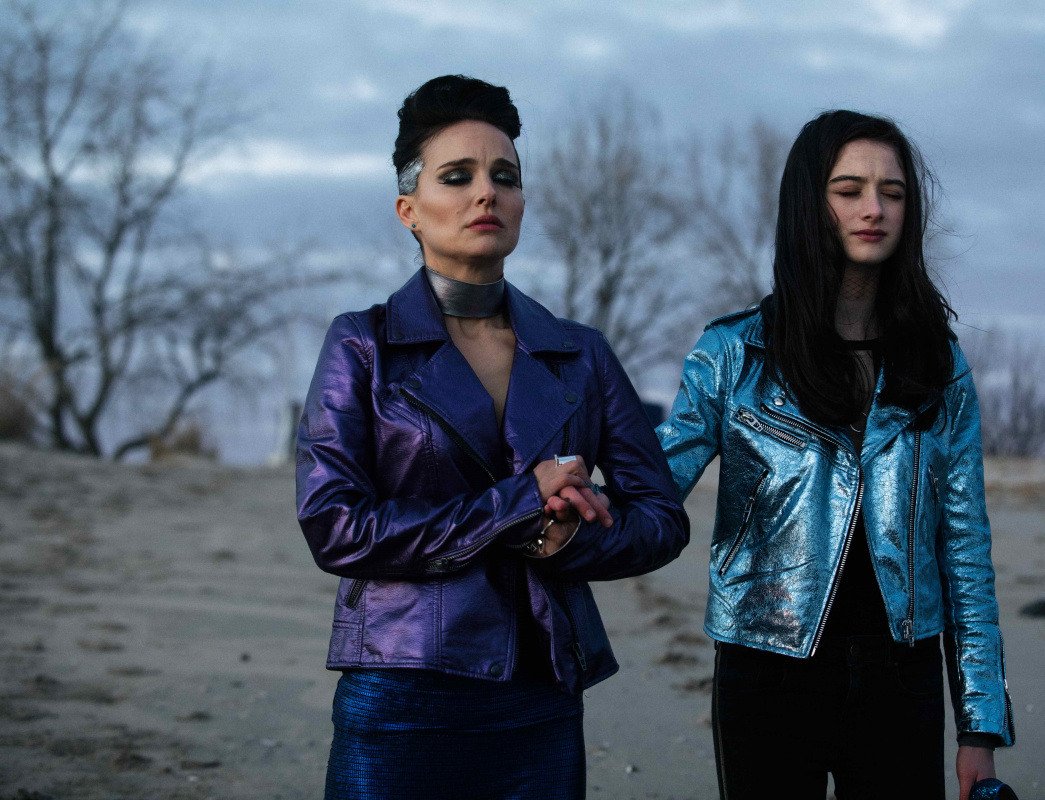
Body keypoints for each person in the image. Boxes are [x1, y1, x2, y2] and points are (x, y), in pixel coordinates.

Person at [296, 75, 689, 800]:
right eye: (458, 177)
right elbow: (335, 527)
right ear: (409, 210)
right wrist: (519, 503)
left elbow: (661, 519)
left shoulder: (580, 353)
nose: (487, 194)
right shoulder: (363, 345)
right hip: (401, 683)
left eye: (505, 177)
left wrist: (568, 540)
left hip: (541, 686)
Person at [657, 110, 1014, 800]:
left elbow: (965, 549)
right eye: (848, 190)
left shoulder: (938, 364)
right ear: (807, 203)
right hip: (764, 668)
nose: (874, 209)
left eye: (893, 192)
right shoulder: (733, 352)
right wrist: (568, 503)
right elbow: (653, 487)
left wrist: (980, 726)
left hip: (901, 676)